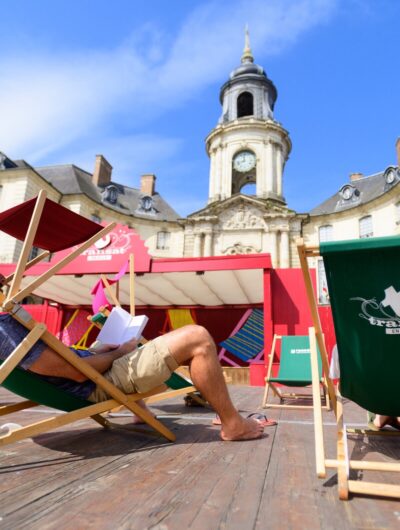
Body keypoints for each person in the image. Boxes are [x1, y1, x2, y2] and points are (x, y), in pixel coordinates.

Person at [0, 312, 265, 441]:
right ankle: (233, 424)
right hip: (97, 382)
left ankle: (140, 412)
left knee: (177, 346)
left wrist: (100, 350)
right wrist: (122, 352)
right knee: (198, 338)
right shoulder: (4, 326)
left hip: (96, 373)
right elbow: (75, 374)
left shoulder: (5, 324)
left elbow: (60, 365)